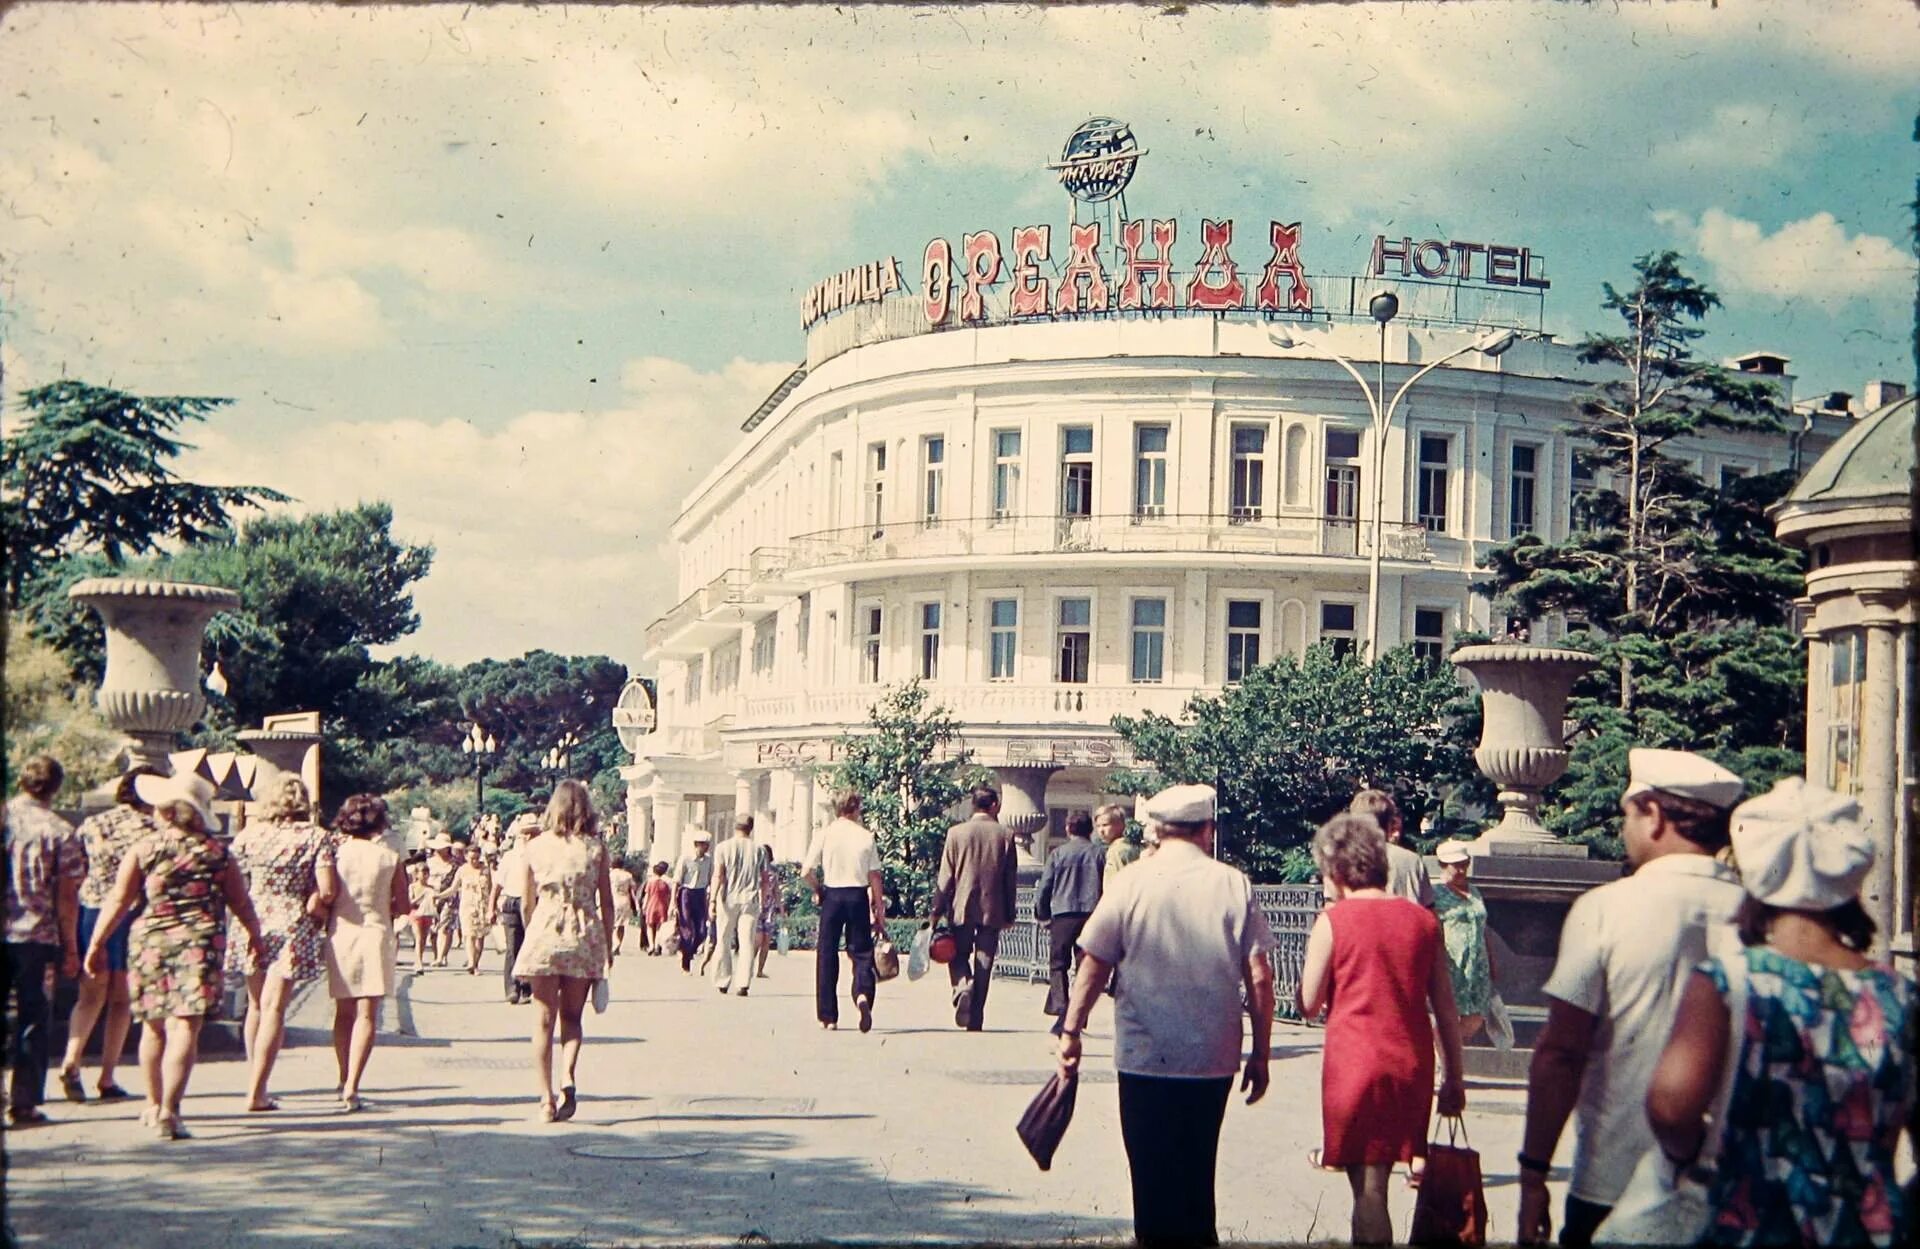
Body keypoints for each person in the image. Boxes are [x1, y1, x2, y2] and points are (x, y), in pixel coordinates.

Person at [1646, 777, 1916, 1249]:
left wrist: (1692, 1158)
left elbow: (1670, 1107)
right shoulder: (1900, 996)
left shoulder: (1727, 982)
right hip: (1866, 1232)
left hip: (1751, 1224)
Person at [1517, 748, 1747, 1247]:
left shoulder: (1605, 909)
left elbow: (1561, 1052)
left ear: (1655, 815)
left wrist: (1534, 1175)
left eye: (1628, 814)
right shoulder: (1758, 916)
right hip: (1734, 1194)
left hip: (1613, 1184)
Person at [1057, 784, 1275, 1249]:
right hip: (1211, 1056)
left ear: (1156, 829)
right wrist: (1261, 1052)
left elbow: (1094, 962)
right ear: (1207, 830)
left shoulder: (1132, 881)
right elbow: (1259, 974)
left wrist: (1072, 1030)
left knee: (1151, 1181)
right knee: (1198, 1176)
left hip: (1144, 1056)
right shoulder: (1232, 883)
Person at [1300, 814, 1468, 1246]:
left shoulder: (1333, 921)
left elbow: (1308, 1001)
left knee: (1369, 1191)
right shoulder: (1424, 922)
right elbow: (1445, 1009)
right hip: (1411, 1064)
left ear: (1336, 869)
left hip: (1355, 1064)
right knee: (1388, 1174)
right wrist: (1454, 1078)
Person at [85, 772, 265, 1140]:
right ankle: (171, 1109)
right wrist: (256, 937)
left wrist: (96, 943)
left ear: (164, 809)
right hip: (200, 944)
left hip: (150, 943)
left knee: (153, 1026)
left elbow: (119, 901)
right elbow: (240, 902)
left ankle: (152, 1105)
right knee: (186, 1026)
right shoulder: (217, 853)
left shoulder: (145, 849)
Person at [225, 776, 336, 1112]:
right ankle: (258, 1091)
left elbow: (233, 878)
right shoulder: (317, 837)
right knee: (274, 1008)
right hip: (291, 920)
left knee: (255, 1006)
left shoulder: (249, 835)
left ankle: (254, 1080)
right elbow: (327, 889)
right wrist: (316, 905)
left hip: (252, 918)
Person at [56, 765, 161, 1104]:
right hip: (131, 913)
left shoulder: (92, 824)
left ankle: (71, 1059)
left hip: (92, 910)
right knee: (121, 1000)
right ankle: (107, 1076)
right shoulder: (153, 829)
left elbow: (77, 868)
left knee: (89, 995)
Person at [511, 780, 614, 1123]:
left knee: (542, 1020)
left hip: (545, 931)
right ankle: (567, 1076)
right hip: (583, 935)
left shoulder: (535, 847)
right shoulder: (596, 849)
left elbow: (526, 902)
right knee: (572, 1017)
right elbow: (607, 903)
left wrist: (532, 933)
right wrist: (608, 944)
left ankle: (544, 1099)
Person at [5, 754, 83, 1128]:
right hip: (38, 935)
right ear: (56, 787)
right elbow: (67, 898)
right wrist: (71, 947)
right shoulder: (60, 832)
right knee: (33, 1018)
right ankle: (24, 1102)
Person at [324, 793, 410, 1112]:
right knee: (367, 1015)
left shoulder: (335, 854)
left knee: (342, 1012)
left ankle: (342, 1075)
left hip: (341, 932)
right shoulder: (389, 858)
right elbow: (403, 905)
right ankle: (353, 1086)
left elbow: (326, 894)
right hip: (375, 933)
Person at [931, 784, 1018, 1032]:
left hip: (962, 905)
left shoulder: (956, 833)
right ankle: (976, 1017)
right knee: (985, 960)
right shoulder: (1006, 835)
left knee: (957, 954)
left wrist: (936, 909)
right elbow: (1010, 879)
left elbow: (945, 876)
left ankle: (962, 984)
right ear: (994, 806)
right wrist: (1009, 913)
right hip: (993, 907)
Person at [800, 790, 884, 1032]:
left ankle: (828, 1016)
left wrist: (818, 890)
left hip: (833, 895)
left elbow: (806, 871)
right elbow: (875, 876)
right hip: (857, 895)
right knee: (861, 952)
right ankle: (862, 994)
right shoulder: (866, 836)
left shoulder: (825, 834)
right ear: (855, 808)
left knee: (827, 953)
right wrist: (878, 909)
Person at [1034, 809, 1105, 1036]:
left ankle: (1062, 1008)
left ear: (1067, 829)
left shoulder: (1059, 854)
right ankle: (1078, 1014)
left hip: (1063, 914)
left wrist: (1042, 914)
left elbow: (1045, 886)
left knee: (1058, 964)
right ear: (1090, 830)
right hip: (1091, 915)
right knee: (1084, 967)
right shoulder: (1099, 854)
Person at [1431, 838, 1496, 1041]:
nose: (1461, 870)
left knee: (1476, 1017)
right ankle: (1443, 1061)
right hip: (1452, 965)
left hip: (1477, 967)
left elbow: (1483, 927)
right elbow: (1432, 930)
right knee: (1447, 1017)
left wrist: (1492, 961)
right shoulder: (1435, 893)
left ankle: (1447, 1053)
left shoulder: (1474, 891)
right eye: (1455, 865)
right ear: (1442, 864)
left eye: (1464, 864)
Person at [1346, 789, 1434, 907]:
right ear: (1389, 823)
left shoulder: (1344, 861)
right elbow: (1429, 912)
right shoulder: (1413, 860)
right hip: (1406, 923)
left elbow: (1332, 910)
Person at [710, 815, 764, 997]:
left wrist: (712, 900)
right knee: (746, 942)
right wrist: (763, 899)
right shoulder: (759, 850)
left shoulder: (723, 848)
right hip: (750, 899)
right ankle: (743, 984)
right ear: (751, 828)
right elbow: (764, 879)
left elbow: (719, 875)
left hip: (727, 898)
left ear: (735, 827)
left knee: (723, 940)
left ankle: (723, 980)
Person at [493, 814, 539, 1002]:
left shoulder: (542, 856)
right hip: (513, 901)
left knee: (532, 946)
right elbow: (498, 884)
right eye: (525, 834)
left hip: (535, 902)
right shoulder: (510, 857)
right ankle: (512, 988)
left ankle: (527, 986)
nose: (528, 837)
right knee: (513, 947)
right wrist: (491, 906)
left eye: (532, 833)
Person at [671, 831, 715, 973]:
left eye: (707, 845)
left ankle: (689, 952)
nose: (705, 848)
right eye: (703, 845)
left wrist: (712, 900)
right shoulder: (686, 858)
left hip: (700, 894)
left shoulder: (709, 861)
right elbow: (676, 881)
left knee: (702, 931)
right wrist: (673, 903)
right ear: (696, 845)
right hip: (686, 893)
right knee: (686, 930)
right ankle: (686, 963)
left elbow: (712, 880)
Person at [453, 847, 492, 974]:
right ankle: (471, 962)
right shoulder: (462, 870)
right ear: (466, 857)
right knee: (469, 935)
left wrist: (493, 907)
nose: (474, 861)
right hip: (467, 906)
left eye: (476, 858)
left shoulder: (485, 870)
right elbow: (453, 888)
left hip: (482, 907)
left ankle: (476, 964)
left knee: (479, 938)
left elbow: (491, 889)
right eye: (471, 858)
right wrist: (439, 895)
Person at [423, 834, 460, 967]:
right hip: (431, 897)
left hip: (449, 898)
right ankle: (436, 953)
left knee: (445, 928)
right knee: (433, 928)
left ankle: (441, 956)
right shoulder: (429, 861)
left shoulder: (455, 863)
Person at [753, 843, 783, 977]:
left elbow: (776, 889)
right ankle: (748, 966)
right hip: (757, 905)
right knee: (757, 940)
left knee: (766, 940)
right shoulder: (755, 869)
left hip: (769, 906)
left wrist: (780, 906)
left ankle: (760, 970)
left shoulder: (774, 870)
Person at [1096, 802, 1139, 890]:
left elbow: (1115, 885)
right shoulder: (1131, 846)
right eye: (1098, 826)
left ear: (1120, 825)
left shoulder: (1116, 850)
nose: (1101, 830)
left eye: (1105, 825)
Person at [405, 863, 434, 969]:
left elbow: (433, 902)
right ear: (417, 874)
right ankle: (418, 962)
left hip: (427, 914)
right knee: (418, 937)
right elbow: (410, 902)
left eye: (427, 873)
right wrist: (422, 896)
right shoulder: (412, 887)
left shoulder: (431, 887)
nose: (425, 875)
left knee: (423, 939)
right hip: (416, 913)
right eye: (423, 872)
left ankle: (419, 958)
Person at [643, 860, 673, 956]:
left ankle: (651, 945)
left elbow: (647, 896)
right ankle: (656, 946)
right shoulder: (665, 884)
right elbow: (668, 897)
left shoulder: (650, 882)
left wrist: (644, 906)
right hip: (662, 906)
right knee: (659, 928)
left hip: (651, 905)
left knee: (650, 926)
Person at [609, 857, 637, 955]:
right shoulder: (627, 875)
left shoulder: (610, 874)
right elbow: (634, 887)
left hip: (612, 899)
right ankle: (618, 945)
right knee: (621, 924)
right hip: (624, 900)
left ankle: (612, 944)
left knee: (611, 924)